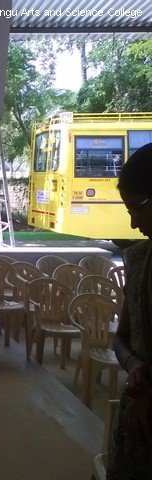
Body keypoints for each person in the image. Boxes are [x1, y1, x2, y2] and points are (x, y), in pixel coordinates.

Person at [107, 142, 152, 479]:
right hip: (136, 419)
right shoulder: (137, 261)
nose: (134, 224)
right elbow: (121, 338)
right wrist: (134, 363)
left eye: (138, 209)